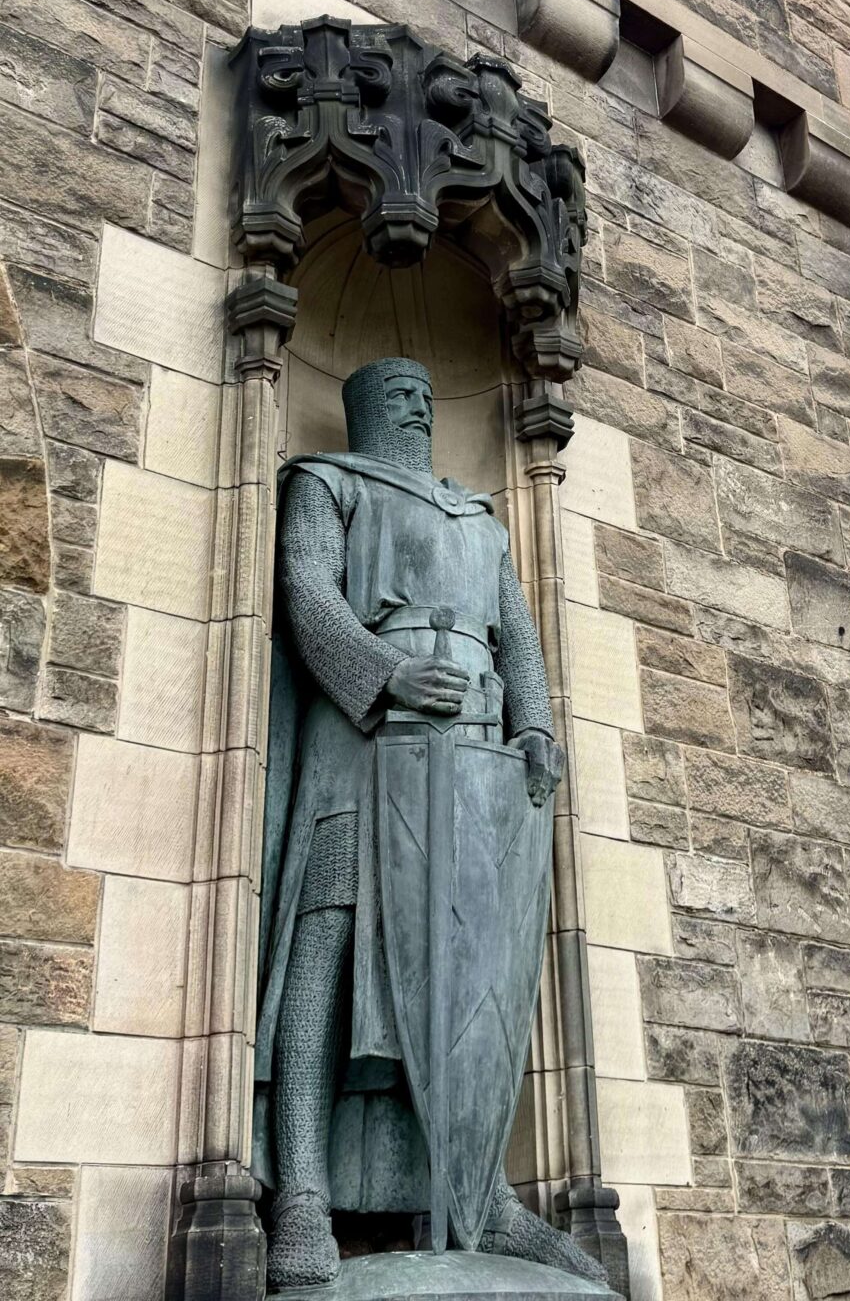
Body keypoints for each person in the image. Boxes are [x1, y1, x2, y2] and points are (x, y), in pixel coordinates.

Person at [253, 356, 599, 1289]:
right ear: (363, 406)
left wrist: (534, 727)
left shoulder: (481, 522)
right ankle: (301, 1199)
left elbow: (519, 637)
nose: (416, 399)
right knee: (325, 954)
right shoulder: (327, 484)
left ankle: (479, 1194)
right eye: (395, 389)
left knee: (468, 971)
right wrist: (384, 672)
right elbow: (309, 595)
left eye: (422, 388)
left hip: (472, 762)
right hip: (361, 748)